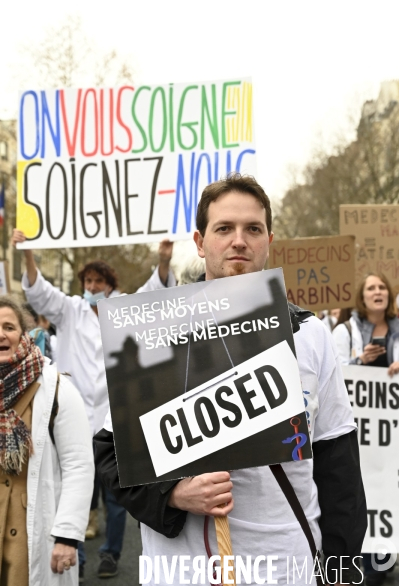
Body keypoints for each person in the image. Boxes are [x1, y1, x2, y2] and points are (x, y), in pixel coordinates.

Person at [94, 174, 367, 586]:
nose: (239, 240)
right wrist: (172, 495)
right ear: (201, 242)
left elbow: (338, 465)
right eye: (224, 228)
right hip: (178, 571)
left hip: (283, 566)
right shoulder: (149, 337)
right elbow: (111, 455)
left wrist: (344, 575)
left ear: (268, 240)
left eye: (252, 229)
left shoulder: (309, 335)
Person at [12, 230, 175, 581]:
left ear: (109, 284)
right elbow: (40, 293)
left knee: (116, 496)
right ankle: (78, 556)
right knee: (76, 490)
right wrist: (26, 253)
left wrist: (163, 261)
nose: (91, 285)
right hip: (74, 417)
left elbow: (155, 295)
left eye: (98, 280)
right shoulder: (70, 310)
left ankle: (111, 553)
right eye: (87, 280)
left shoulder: (125, 307)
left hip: (118, 417)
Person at [0, 296, 93, 585]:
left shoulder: (57, 388)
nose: (1, 334)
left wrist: (67, 535)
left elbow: (79, 466)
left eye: (9, 327)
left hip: (31, 535)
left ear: (23, 334)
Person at [333, 273, 399, 586]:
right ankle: (368, 562)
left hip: (391, 433)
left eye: (382, 287)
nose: (378, 291)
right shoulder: (344, 331)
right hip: (359, 433)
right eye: (371, 287)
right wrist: (359, 360)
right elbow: (332, 373)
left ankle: (388, 555)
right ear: (362, 295)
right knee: (364, 491)